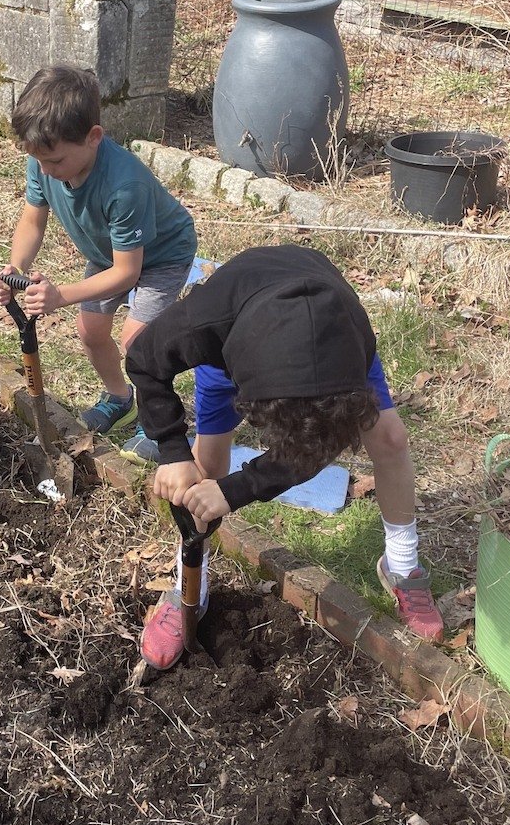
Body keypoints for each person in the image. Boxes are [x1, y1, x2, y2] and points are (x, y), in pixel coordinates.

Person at [125, 243, 444, 669]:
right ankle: (188, 586)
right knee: (206, 467)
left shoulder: (351, 341)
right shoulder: (201, 324)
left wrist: (238, 490)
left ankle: (402, 563)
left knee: (390, 440)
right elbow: (143, 362)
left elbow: (320, 439)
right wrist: (172, 452)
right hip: (232, 339)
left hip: (334, 342)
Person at [0, 65, 196, 458]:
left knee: (138, 343)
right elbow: (33, 219)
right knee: (90, 329)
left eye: (55, 162)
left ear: (93, 137)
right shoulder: (44, 156)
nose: (46, 171)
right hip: (108, 255)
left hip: (161, 256)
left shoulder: (124, 184)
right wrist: (14, 269)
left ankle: (162, 426)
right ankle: (120, 398)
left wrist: (61, 295)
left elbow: (128, 272)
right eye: (39, 161)